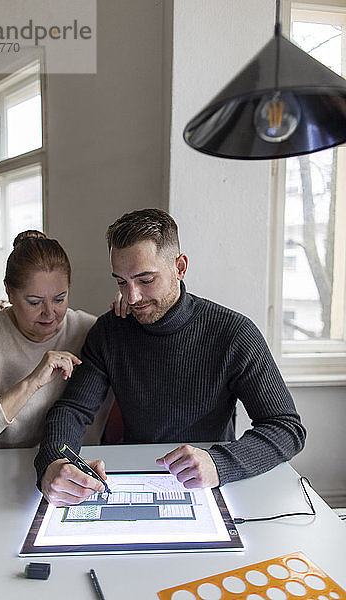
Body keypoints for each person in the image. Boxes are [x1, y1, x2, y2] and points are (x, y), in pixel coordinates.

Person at [35, 209, 306, 506]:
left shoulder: (233, 333)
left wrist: (220, 463)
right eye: (121, 282)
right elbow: (72, 409)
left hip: (209, 485)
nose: (133, 297)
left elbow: (286, 428)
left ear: (180, 267)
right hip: (130, 480)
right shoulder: (110, 331)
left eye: (145, 279)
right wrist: (54, 462)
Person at [0, 231, 113, 459]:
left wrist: (130, 316)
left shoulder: (91, 330)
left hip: (78, 470)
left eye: (59, 299)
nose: (49, 313)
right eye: (34, 302)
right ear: (9, 291)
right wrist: (31, 383)